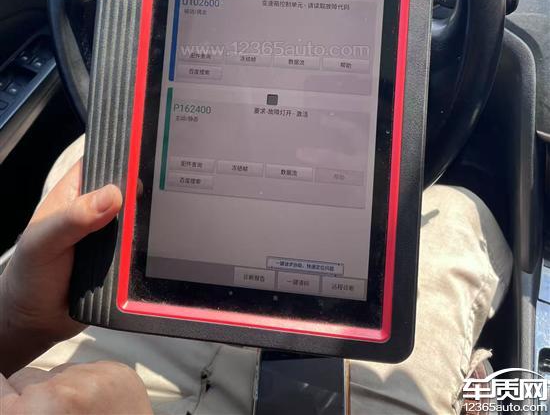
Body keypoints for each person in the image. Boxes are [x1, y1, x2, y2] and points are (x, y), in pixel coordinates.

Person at [0, 137, 512, 414]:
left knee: (85, 149)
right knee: (457, 214)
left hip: (48, 351)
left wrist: (18, 317)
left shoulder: (26, 312)